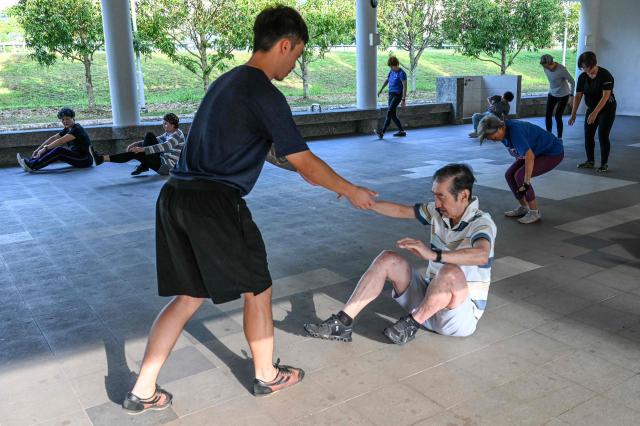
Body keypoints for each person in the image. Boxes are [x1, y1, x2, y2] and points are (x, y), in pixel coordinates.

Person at [122, 5, 378, 415]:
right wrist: (350, 190)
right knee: (257, 287)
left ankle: (143, 389)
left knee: (189, 296)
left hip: (175, 197)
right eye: (296, 56)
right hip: (215, 204)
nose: (294, 65)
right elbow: (303, 158)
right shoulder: (264, 93)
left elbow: (280, 156)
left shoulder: (226, 82)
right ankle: (266, 375)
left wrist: (313, 175)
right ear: (284, 44)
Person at [304, 164, 496, 344]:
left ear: (463, 196)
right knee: (387, 259)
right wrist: (361, 199)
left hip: (456, 318)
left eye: (441, 197)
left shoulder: (482, 223)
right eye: (435, 196)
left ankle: (412, 324)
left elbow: (481, 254)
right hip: (428, 301)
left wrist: (433, 254)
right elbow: (400, 210)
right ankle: (342, 323)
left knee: (450, 272)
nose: (436, 203)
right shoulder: (439, 213)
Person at [476, 115, 564, 224]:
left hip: (552, 152)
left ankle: (534, 212)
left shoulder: (515, 131)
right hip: (535, 152)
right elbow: (518, 152)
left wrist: (526, 182)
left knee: (520, 176)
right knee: (509, 174)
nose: (492, 140)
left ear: (499, 128)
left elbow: (529, 156)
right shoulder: (502, 133)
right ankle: (524, 207)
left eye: (492, 137)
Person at [569, 51, 617, 173]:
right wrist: (573, 113)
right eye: (582, 67)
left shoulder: (605, 75)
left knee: (602, 135)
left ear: (592, 64)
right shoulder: (583, 77)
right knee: (588, 134)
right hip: (591, 108)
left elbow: (605, 97)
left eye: (585, 67)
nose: (583, 69)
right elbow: (578, 96)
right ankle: (590, 161)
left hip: (607, 109)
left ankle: (604, 164)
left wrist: (595, 113)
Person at [94, 113, 185, 176]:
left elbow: (163, 146)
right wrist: (137, 143)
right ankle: (144, 165)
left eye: (165, 124)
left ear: (173, 125)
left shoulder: (177, 136)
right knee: (149, 136)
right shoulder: (170, 132)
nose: (163, 126)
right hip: (161, 160)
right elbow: (158, 140)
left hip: (165, 167)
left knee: (135, 153)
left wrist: (142, 149)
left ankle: (103, 158)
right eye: (163, 123)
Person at [16, 108, 94, 172]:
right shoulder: (68, 128)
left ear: (73, 118)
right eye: (63, 120)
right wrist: (38, 149)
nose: (65, 121)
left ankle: (32, 166)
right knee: (51, 146)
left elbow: (61, 141)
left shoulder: (77, 129)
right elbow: (53, 138)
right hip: (77, 156)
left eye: (67, 119)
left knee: (58, 150)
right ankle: (31, 161)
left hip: (85, 160)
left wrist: (45, 149)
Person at [540, 54, 575, 140]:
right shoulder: (545, 67)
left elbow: (572, 82)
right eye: (544, 66)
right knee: (548, 114)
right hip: (552, 93)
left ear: (551, 63)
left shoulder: (562, 69)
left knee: (557, 116)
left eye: (546, 66)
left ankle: (559, 138)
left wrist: (571, 95)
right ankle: (549, 136)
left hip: (563, 95)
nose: (545, 68)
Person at [375, 56, 407, 139]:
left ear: (396, 64)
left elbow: (404, 87)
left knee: (389, 112)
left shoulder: (402, 73)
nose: (391, 68)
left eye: (392, 66)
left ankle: (382, 132)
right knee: (392, 115)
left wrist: (403, 99)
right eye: (390, 67)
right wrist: (381, 89)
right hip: (391, 94)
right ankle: (401, 131)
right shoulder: (391, 71)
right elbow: (387, 80)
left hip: (397, 95)